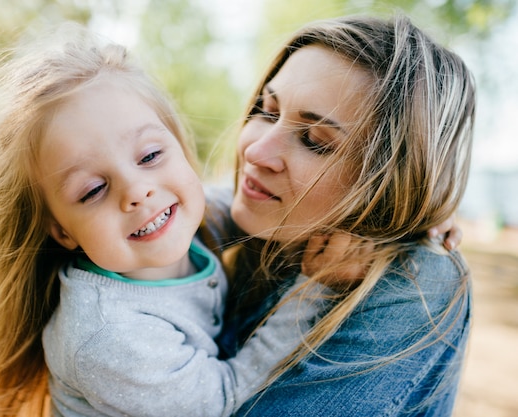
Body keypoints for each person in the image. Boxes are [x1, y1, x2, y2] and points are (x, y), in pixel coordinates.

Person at [0, 24, 335, 417]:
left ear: (179, 146)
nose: (137, 191)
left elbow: (225, 204)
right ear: (64, 231)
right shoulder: (108, 335)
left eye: (149, 155)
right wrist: (315, 288)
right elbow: (220, 399)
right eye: (92, 190)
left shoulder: (181, 219)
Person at [197, 14, 474, 416]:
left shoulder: (416, 280)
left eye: (314, 140)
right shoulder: (264, 234)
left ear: (388, 182)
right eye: (268, 110)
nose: (255, 152)